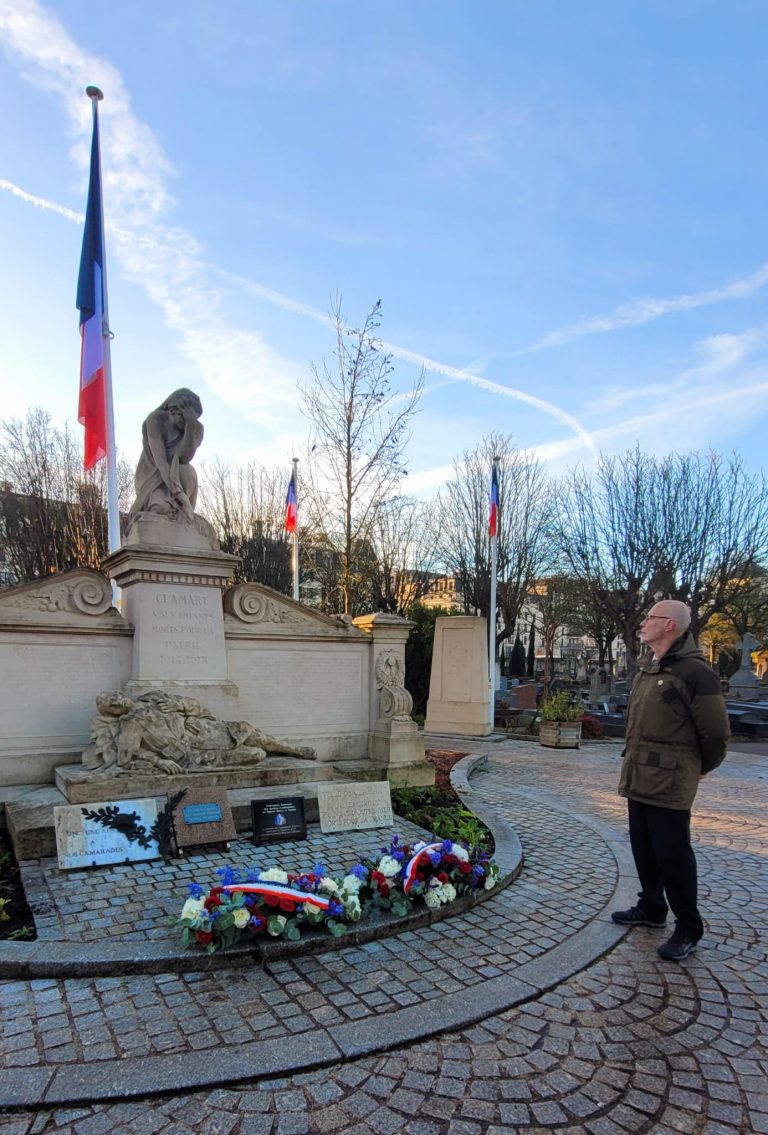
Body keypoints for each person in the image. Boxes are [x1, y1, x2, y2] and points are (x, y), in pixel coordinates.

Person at [612, 599, 729, 961]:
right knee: (644, 848)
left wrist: (701, 766)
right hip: (639, 773)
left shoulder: (695, 673)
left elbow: (717, 734)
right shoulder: (648, 668)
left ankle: (689, 927)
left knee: (673, 854)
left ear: (670, 626)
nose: (643, 622)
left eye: (651, 618)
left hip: (670, 780)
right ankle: (651, 908)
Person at [127, 388, 204, 526]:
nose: (186, 423)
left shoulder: (196, 428)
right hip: (153, 474)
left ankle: (180, 511)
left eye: (192, 419)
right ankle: (176, 505)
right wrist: (182, 498)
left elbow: (183, 459)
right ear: (173, 409)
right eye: (184, 418)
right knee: (160, 509)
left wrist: (190, 427)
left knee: (188, 471)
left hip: (176, 474)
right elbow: (161, 462)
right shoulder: (156, 419)